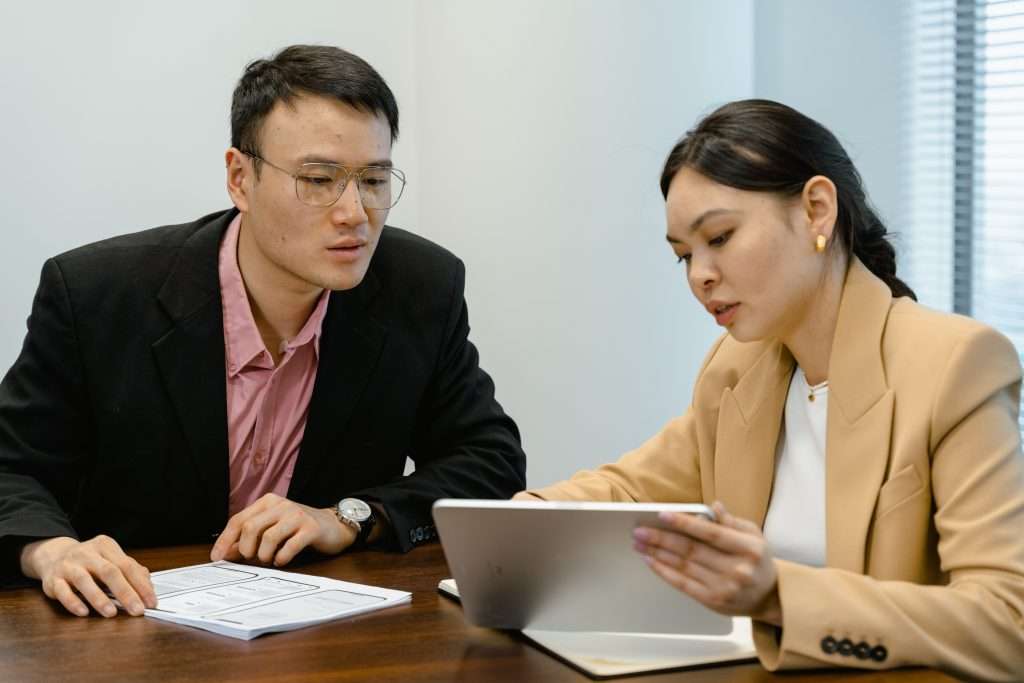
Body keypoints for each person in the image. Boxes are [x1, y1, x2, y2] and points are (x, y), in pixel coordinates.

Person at [0, 45, 525, 619]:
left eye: (374, 179)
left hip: (326, 635)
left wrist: (349, 517)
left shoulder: (420, 287)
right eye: (319, 179)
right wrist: (47, 551)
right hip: (124, 623)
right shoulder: (97, 294)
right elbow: (11, 466)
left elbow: (490, 464)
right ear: (239, 178)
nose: (355, 211)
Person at [519, 100, 1024, 680]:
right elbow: (632, 488)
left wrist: (779, 594)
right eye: (683, 255)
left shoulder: (956, 363)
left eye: (721, 237)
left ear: (816, 210)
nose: (699, 276)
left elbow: (1007, 623)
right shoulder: (738, 367)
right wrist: (521, 518)